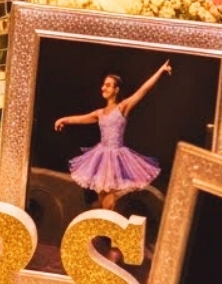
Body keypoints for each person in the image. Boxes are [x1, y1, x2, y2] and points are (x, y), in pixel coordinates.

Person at [53, 60, 172, 211]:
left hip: (116, 157)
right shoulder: (100, 113)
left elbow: (143, 90)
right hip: (101, 157)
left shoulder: (122, 107)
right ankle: (102, 228)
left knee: (109, 202)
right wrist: (64, 120)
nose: (104, 88)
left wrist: (161, 71)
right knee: (101, 199)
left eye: (108, 85)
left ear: (116, 90)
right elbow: (81, 118)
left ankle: (108, 228)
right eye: (104, 84)